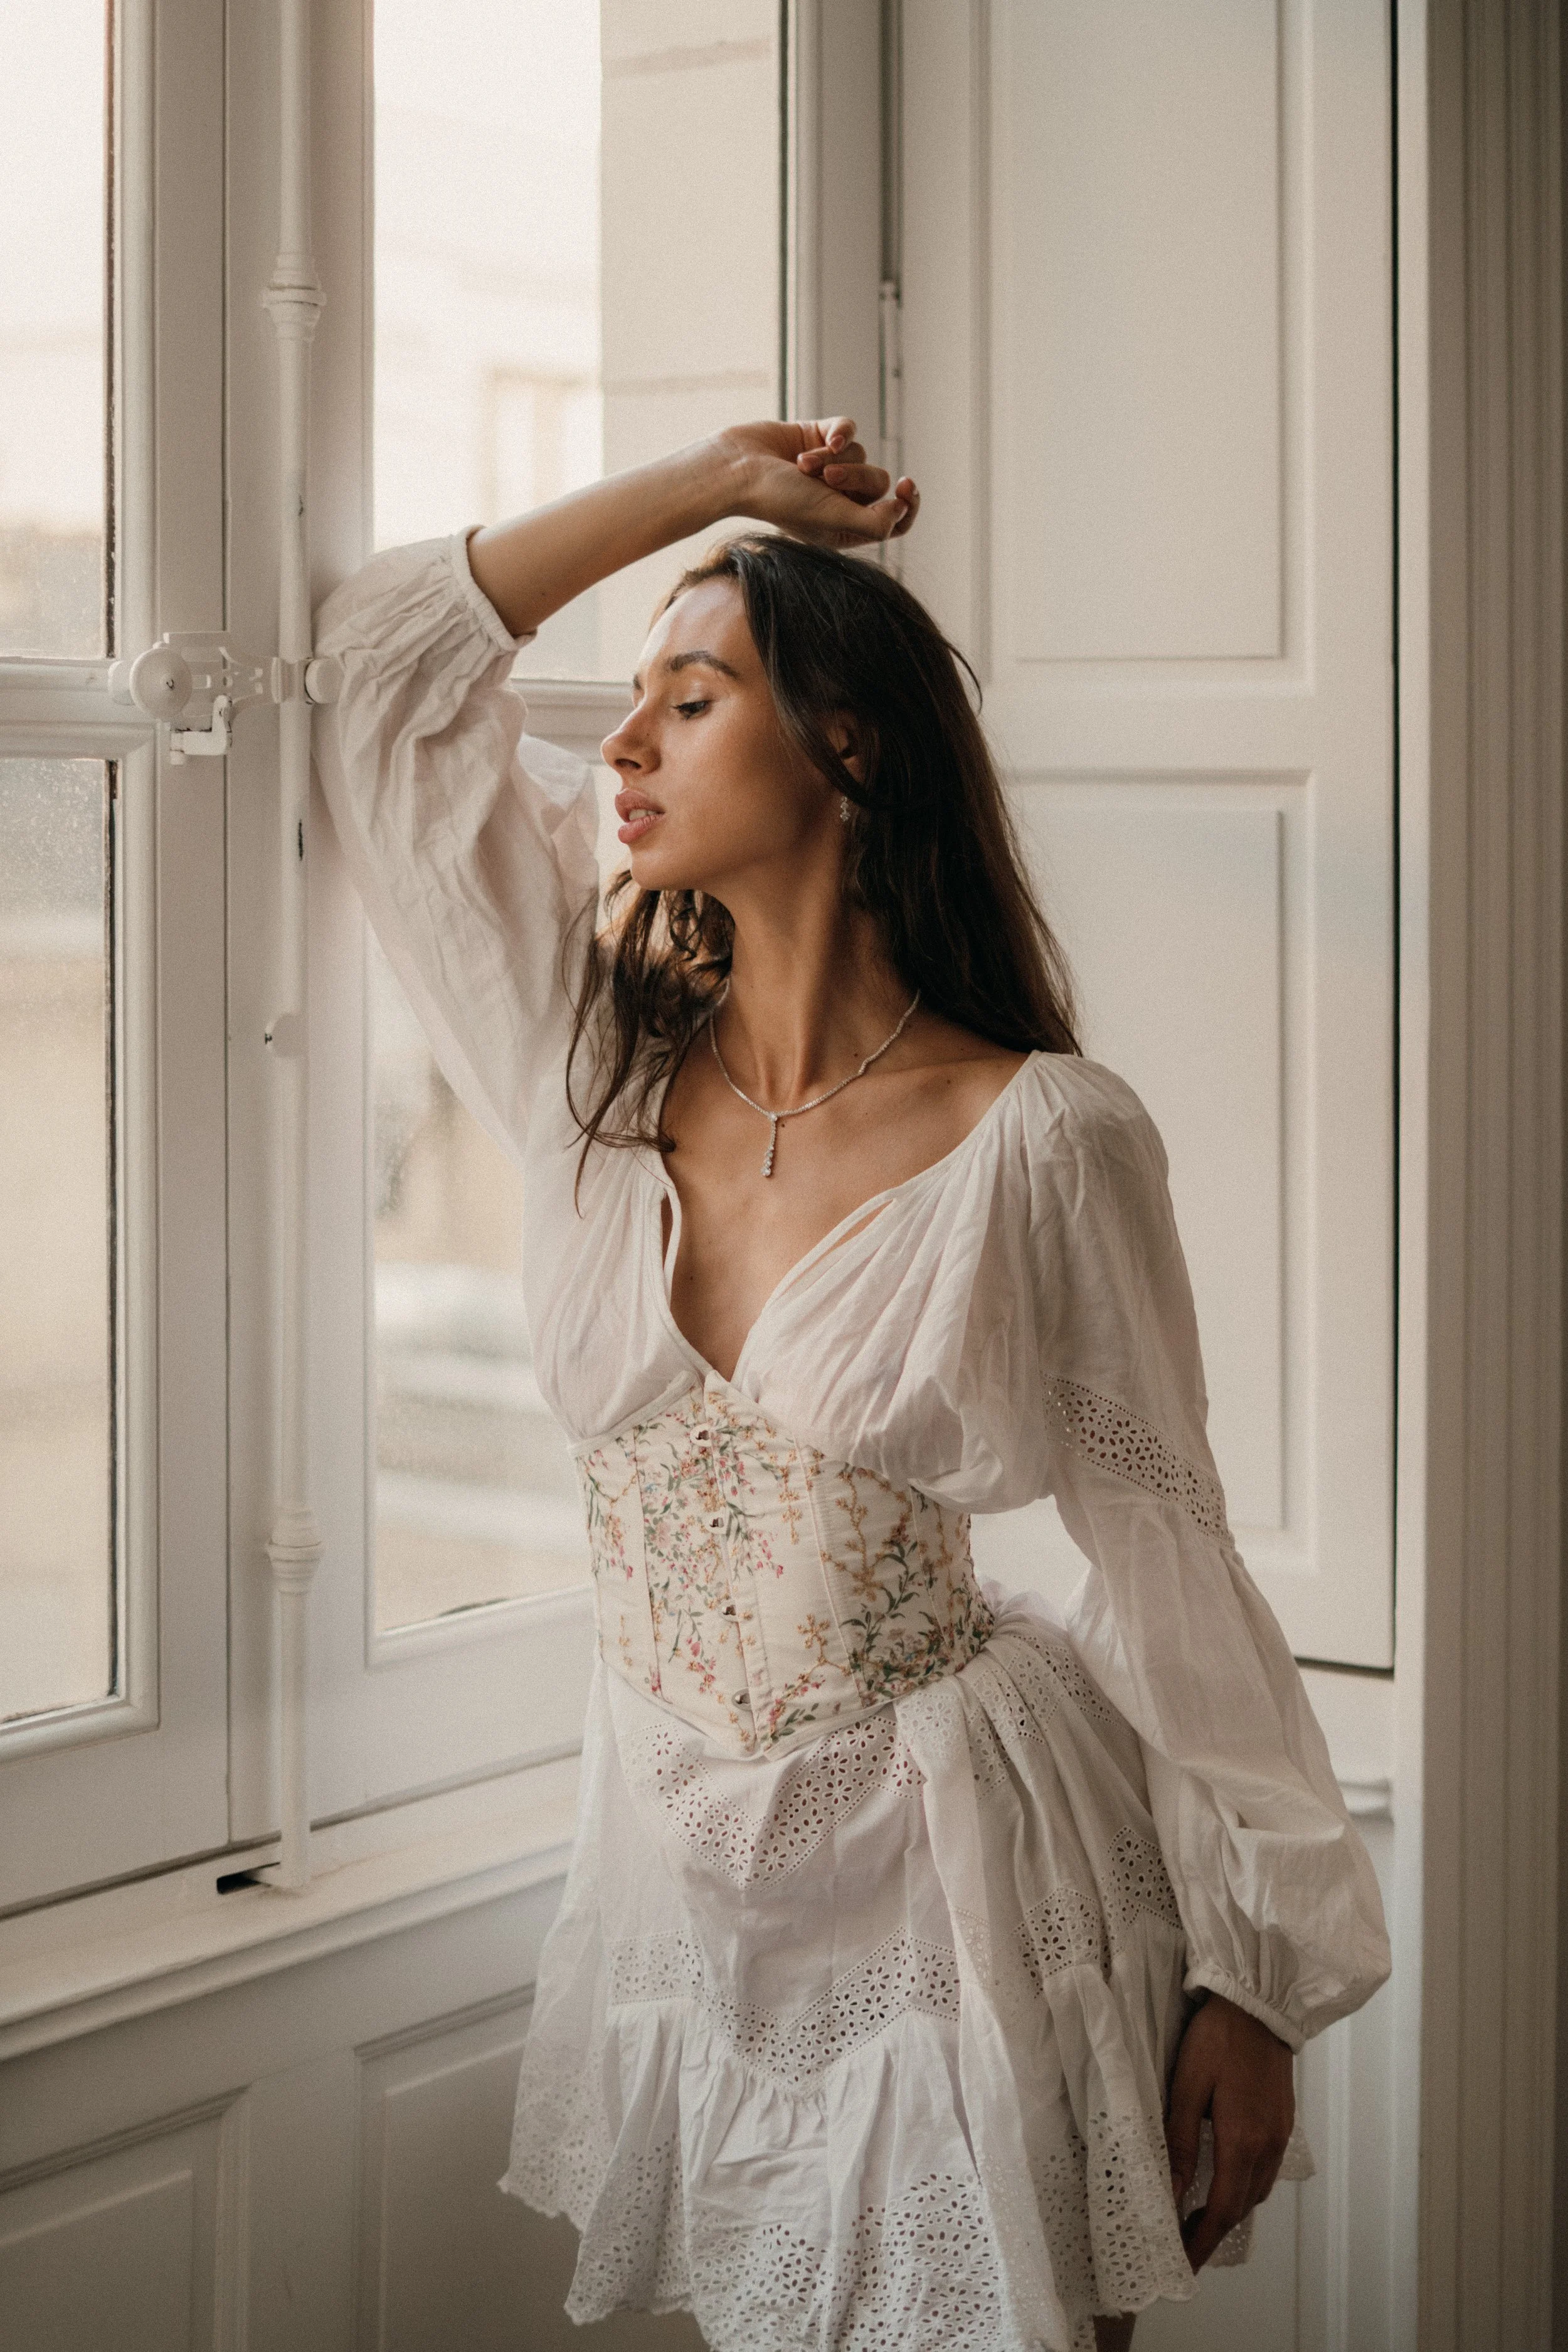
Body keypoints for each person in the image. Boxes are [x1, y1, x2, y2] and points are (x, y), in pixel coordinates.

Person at [312, 417, 1391, 2352]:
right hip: (677, 1882)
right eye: (627, 701)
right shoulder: (591, 1075)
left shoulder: (1043, 1138)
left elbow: (1165, 1550)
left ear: (851, 747)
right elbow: (382, 676)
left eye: (692, 696)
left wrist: (1250, 1971)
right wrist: (705, 488)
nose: (624, 746)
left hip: (957, 1892)